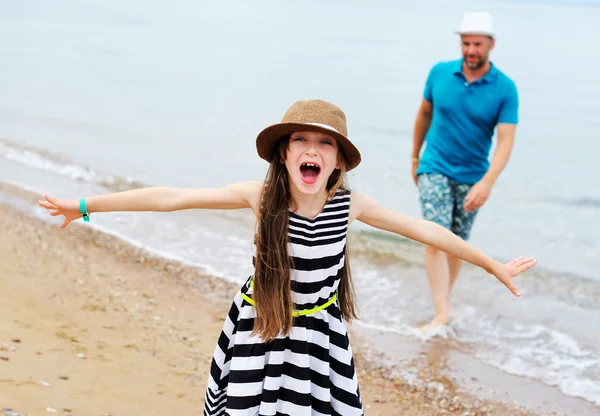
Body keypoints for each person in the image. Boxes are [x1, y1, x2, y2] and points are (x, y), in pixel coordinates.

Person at [39, 99, 534, 415]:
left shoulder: (351, 206)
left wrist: (490, 264)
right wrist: (84, 206)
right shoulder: (260, 195)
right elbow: (172, 197)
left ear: (337, 159)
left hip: (320, 336)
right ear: (283, 152)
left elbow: (425, 229)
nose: (311, 149)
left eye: (325, 143)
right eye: (301, 139)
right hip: (262, 324)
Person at [411, 12, 520, 331]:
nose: (471, 50)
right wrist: (414, 158)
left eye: (477, 44)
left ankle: (443, 302)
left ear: (491, 44)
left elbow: (505, 142)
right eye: (466, 43)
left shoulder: (505, 88)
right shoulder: (440, 73)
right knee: (435, 236)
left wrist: (487, 183)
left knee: (458, 241)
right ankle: (442, 313)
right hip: (434, 166)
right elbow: (423, 115)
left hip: (473, 176)